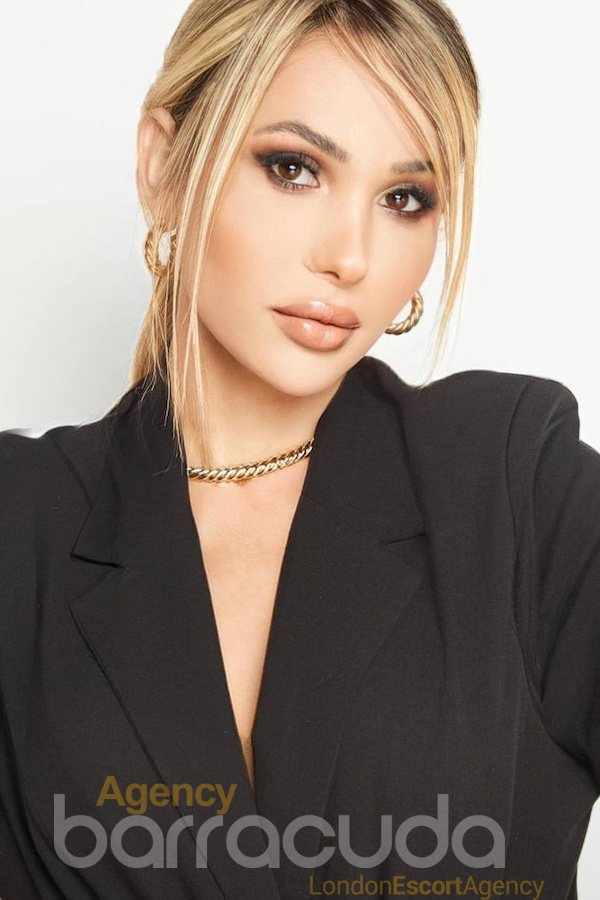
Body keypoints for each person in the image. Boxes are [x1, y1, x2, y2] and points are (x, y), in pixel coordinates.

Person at [0, 1, 598, 898]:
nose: (350, 256)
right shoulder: (21, 525)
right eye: (294, 168)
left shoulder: (516, 487)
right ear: (164, 165)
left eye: (404, 199)